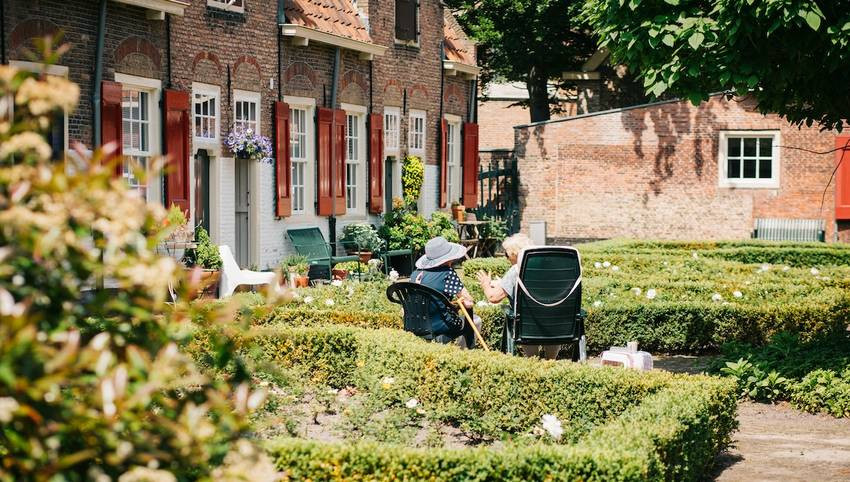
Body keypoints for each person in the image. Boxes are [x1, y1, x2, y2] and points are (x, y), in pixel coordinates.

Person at [476, 233, 561, 359]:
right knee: (546, 315)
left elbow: (493, 297)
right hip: (556, 324)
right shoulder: (552, 268)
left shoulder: (516, 269)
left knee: (524, 317)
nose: (506, 258)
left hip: (528, 325)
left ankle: (534, 361)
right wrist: (504, 284)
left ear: (514, 254)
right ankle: (550, 361)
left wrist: (485, 284)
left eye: (506, 254)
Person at [411, 236, 480, 348]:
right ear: (448, 258)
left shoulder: (415, 274)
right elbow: (468, 302)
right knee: (476, 320)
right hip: (439, 326)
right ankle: (464, 353)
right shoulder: (447, 274)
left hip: (414, 325)